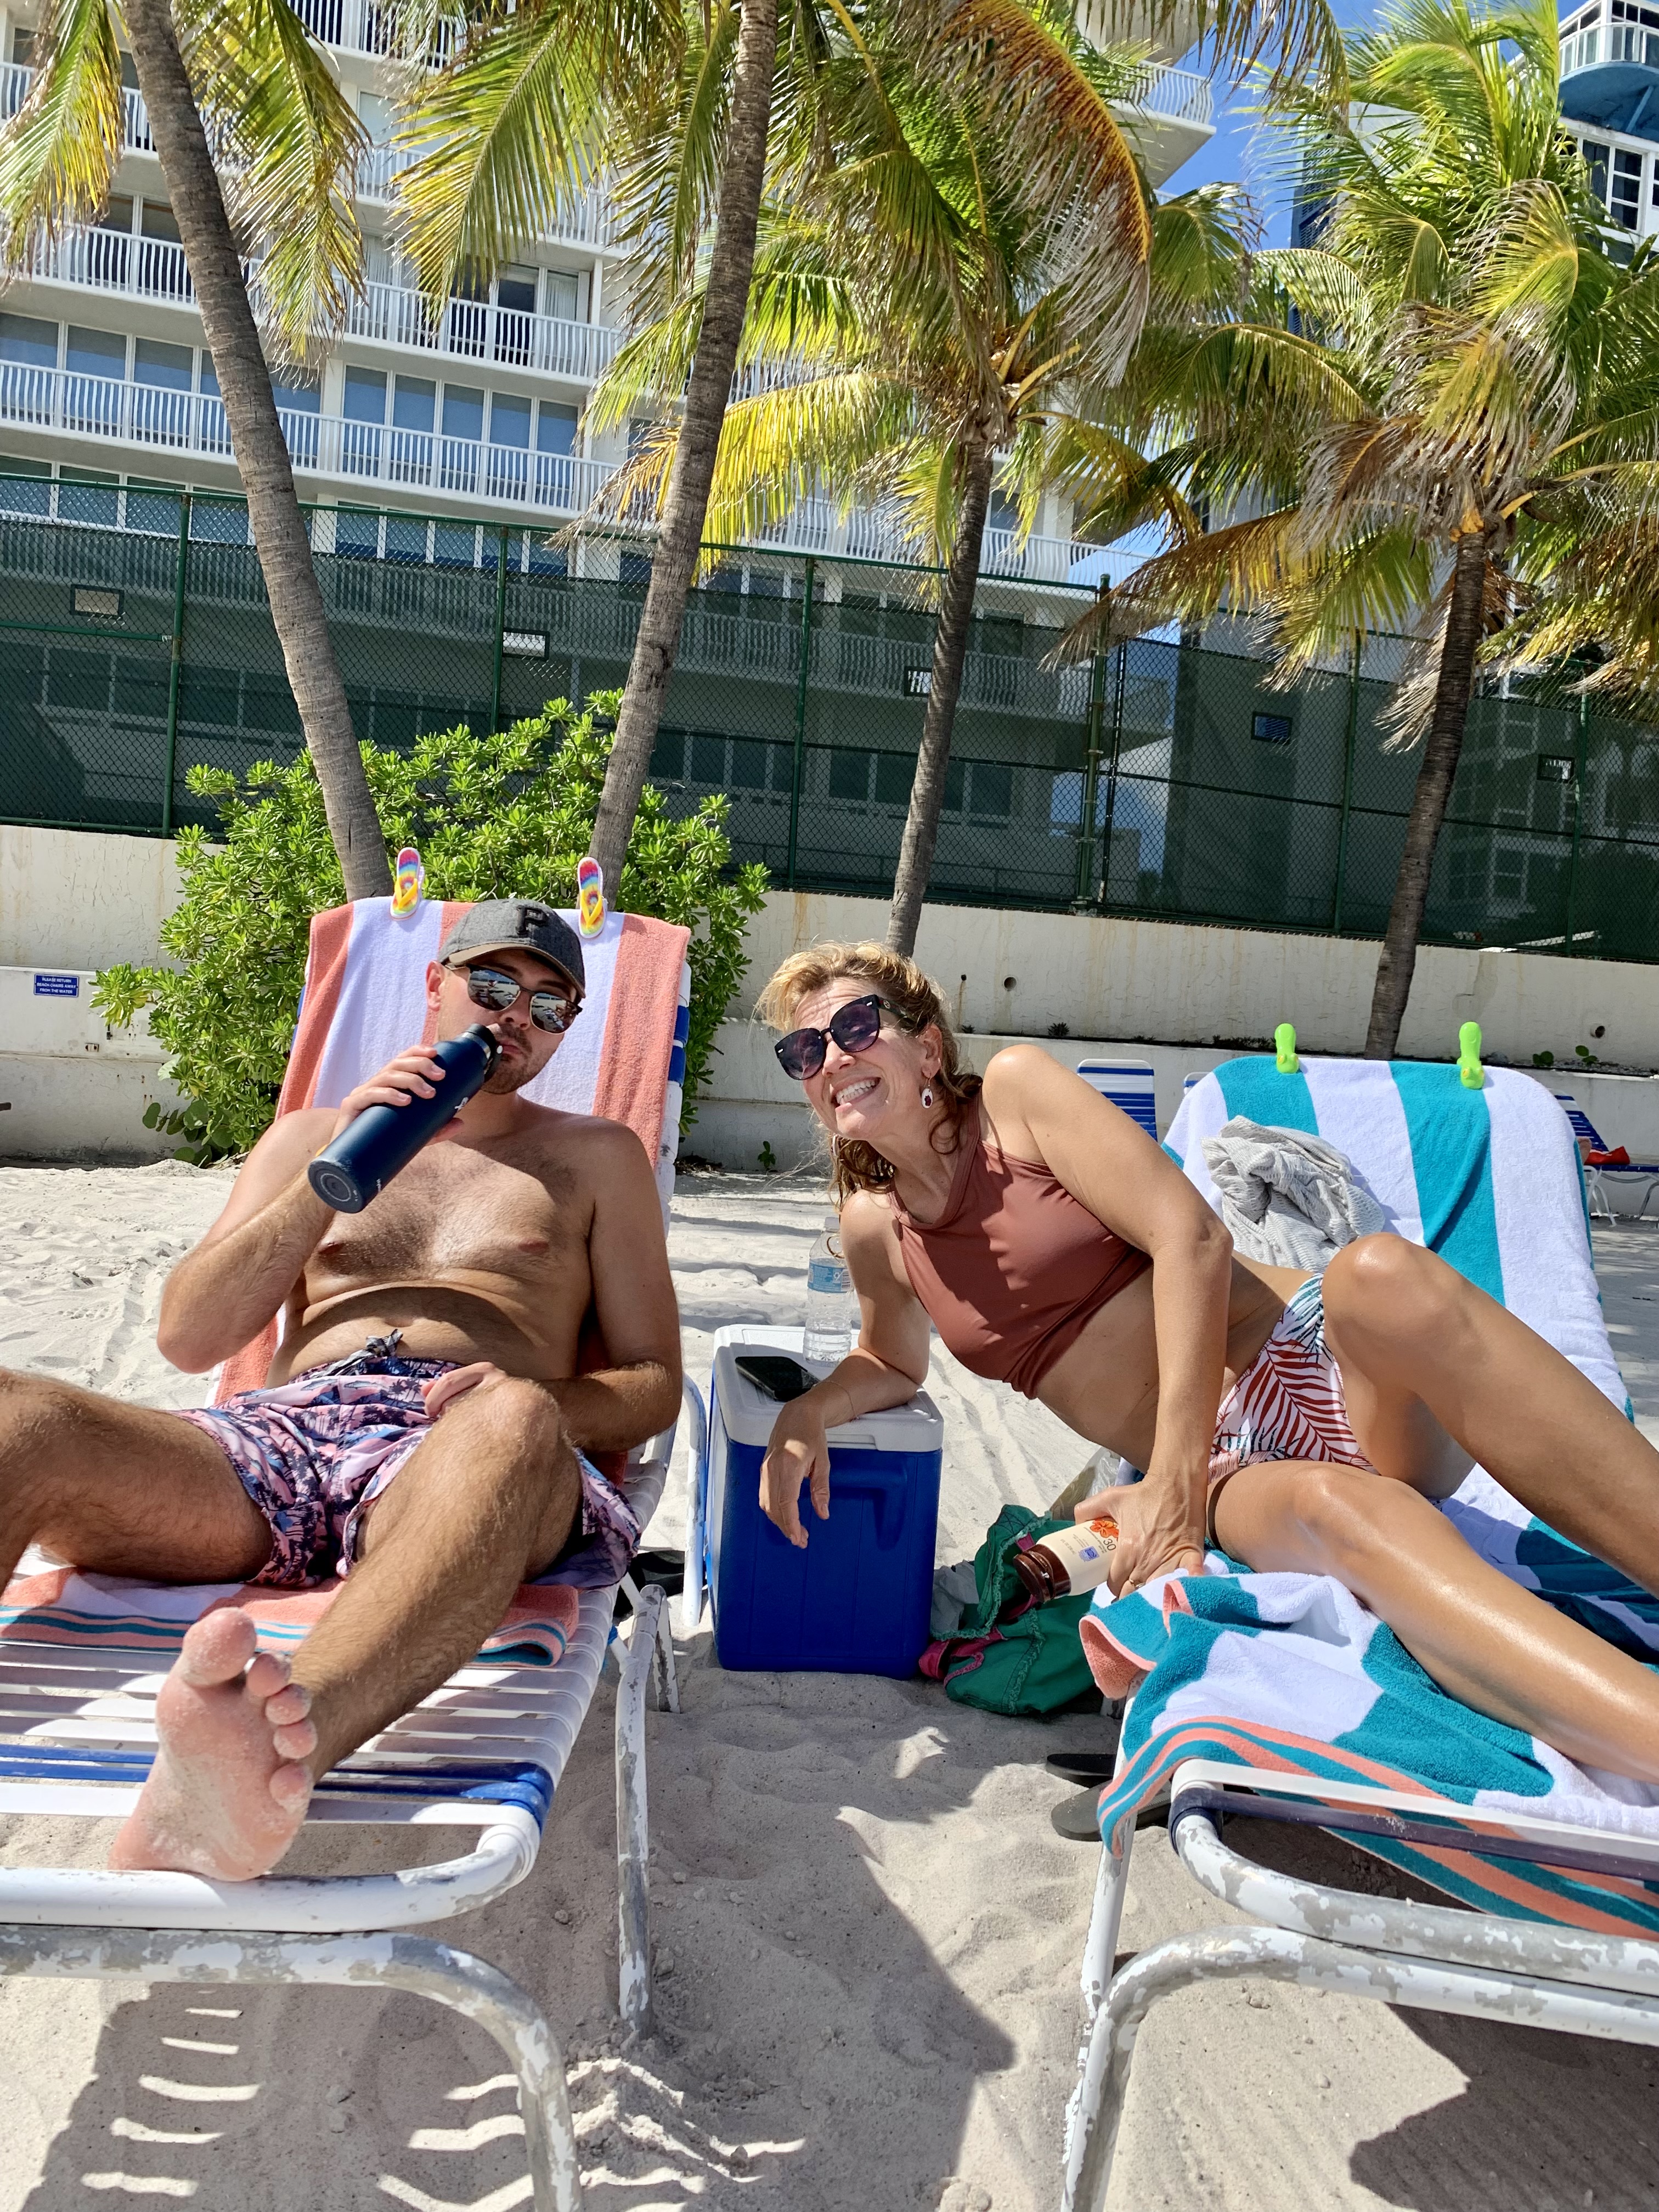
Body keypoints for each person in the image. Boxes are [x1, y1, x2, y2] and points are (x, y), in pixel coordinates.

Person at [754, 940, 1659, 1784]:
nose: (831, 1057)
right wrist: (807, 1411)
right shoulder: (876, 1228)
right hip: (1232, 1465)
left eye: (856, 1025)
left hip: (1306, 1358)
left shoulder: (1016, 1098)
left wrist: (1172, 1489)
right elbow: (890, 1359)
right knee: (1340, 1507)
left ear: (926, 1047)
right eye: (805, 1050)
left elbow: (1190, 1238)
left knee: (1381, 1273)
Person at [0, 900, 681, 1881]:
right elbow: (191, 1338)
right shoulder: (310, 1138)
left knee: (516, 1416)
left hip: (460, 1447)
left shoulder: (596, 1157)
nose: (515, 1016)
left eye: (549, 1004)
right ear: (435, 985)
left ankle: (260, 1759)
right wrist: (334, 1172)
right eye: (493, 984)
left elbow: (653, 1384)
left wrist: (532, 1404)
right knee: (18, 1416)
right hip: (277, 1442)